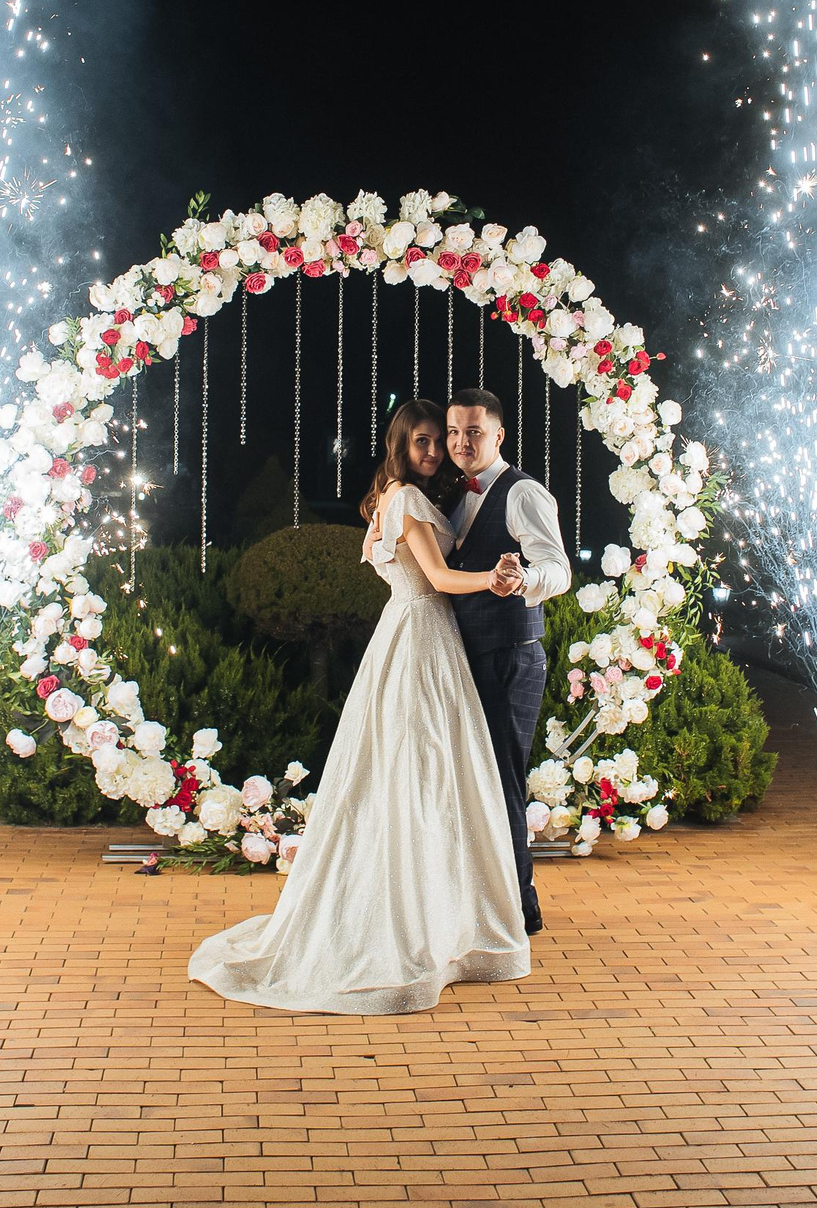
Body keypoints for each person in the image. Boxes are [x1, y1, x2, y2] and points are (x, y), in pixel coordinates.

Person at [188, 399, 531, 1013]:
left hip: (413, 637)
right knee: (419, 770)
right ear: (400, 446)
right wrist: (493, 579)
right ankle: (411, 918)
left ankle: (436, 905)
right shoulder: (403, 499)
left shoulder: (398, 500)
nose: (433, 451)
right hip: (422, 636)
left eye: (439, 441)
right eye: (422, 442)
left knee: (422, 770)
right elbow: (440, 579)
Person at [441, 388, 569, 935]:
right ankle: (479, 903)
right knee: (472, 781)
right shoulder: (454, 493)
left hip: (510, 656)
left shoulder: (523, 493)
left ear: (497, 436)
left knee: (502, 782)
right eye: (453, 432)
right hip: (467, 654)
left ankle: (521, 909)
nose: (461, 442)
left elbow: (559, 569)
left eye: (473, 432)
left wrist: (525, 581)